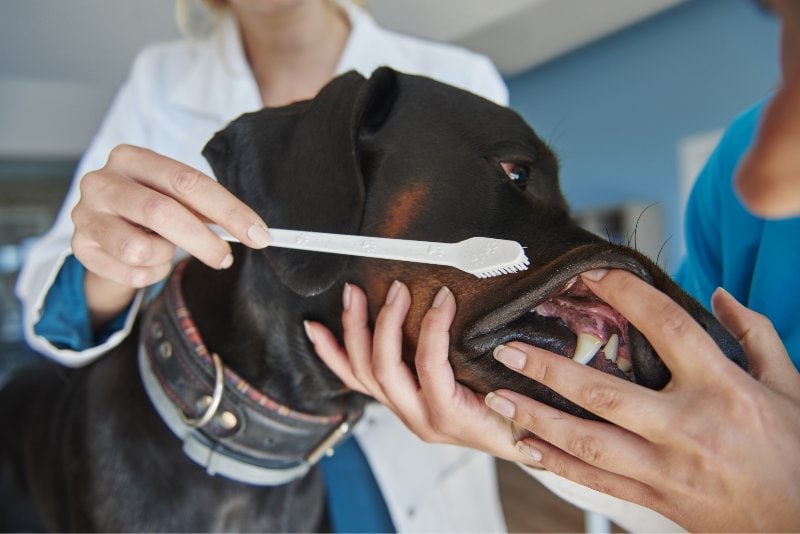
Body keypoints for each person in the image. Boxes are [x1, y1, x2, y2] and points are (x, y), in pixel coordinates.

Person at [14, 0, 510, 532]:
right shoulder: (160, 81)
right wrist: (113, 262)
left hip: (399, 479)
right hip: (213, 478)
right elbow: (47, 317)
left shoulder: (459, 80)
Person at [306, 0, 800, 531]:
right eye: (778, 19)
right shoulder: (734, 176)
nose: (757, 187)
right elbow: (693, 482)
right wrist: (529, 438)